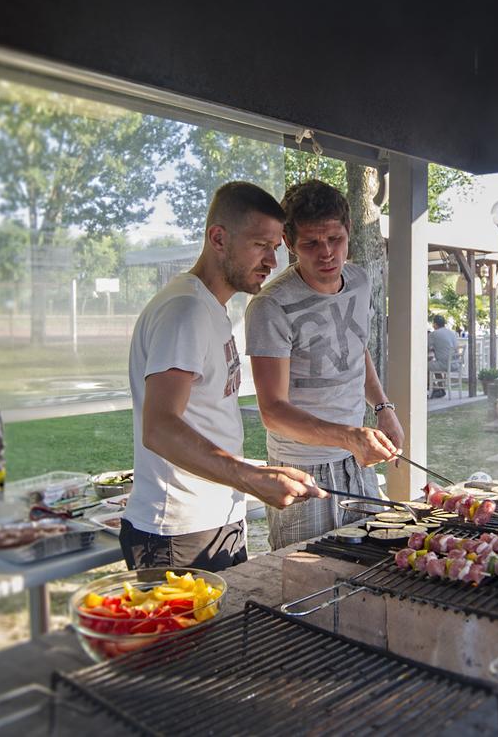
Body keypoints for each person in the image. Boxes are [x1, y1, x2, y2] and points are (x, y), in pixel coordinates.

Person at [121, 181, 328, 572]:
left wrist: (257, 474)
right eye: (259, 245)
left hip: (214, 521)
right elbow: (160, 428)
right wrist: (250, 478)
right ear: (218, 238)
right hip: (175, 535)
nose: (271, 261)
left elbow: (204, 417)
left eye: (275, 249)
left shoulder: (210, 308)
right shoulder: (185, 311)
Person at [245, 180, 405, 550]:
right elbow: (272, 411)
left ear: (349, 231)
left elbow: (356, 348)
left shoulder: (360, 282)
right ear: (288, 243)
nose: (327, 253)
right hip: (301, 468)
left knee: (372, 567)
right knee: (306, 575)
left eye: (336, 239)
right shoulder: (271, 307)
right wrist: (349, 436)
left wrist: (382, 408)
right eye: (311, 244)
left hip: (355, 461)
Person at [428, 314, 458, 398]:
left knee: (424, 366)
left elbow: (426, 347)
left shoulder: (434, 334)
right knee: (434, 364)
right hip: (455, 364)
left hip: (445, 364)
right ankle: (441, 388)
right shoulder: (452, 333)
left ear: (435, 324)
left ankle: (435, 388)